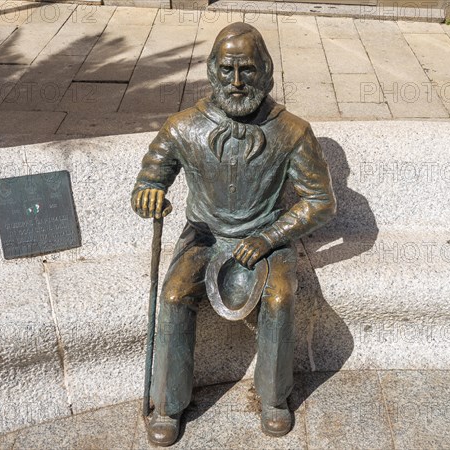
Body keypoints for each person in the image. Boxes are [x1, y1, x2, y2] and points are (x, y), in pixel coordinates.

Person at [132, 22, 336, 447]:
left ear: (266, 72)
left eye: (247, 70)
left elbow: (321, 201)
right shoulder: (181, 127)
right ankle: (168, 404)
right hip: (203, 236)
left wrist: (270, 237)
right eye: (227, 70)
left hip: (266, 238)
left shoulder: (292, 131)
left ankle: (274, 398)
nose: (237, 82)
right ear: (211, 71)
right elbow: (149, 180)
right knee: (172, 296)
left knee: (280, 298)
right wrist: (149, 195)